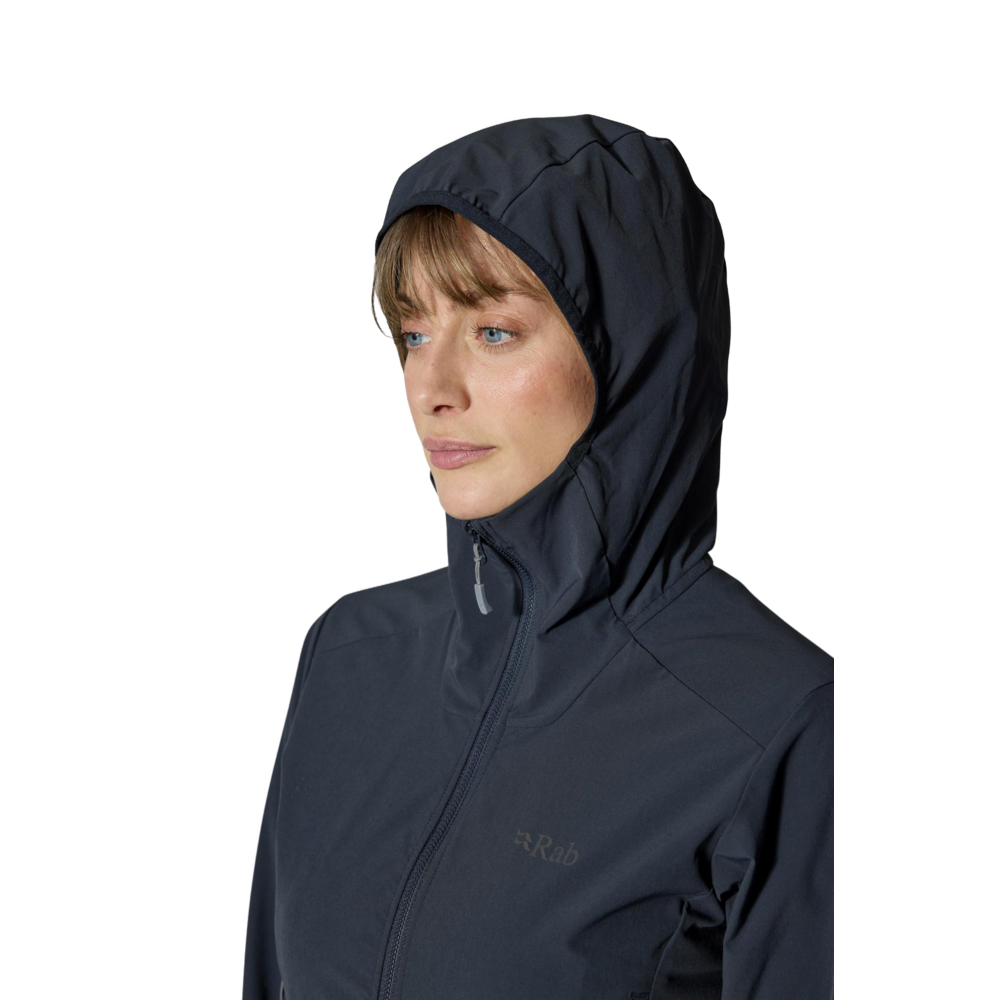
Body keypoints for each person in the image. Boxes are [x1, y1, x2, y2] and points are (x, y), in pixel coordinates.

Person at [241, 113, 834, 1000]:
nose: (432, 388)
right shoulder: (349, 652)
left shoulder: (780, 719)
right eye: (413, 332)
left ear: (632, 349)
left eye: (493, 332)